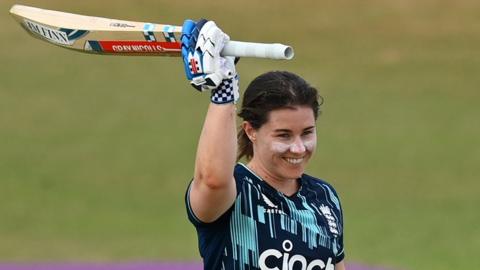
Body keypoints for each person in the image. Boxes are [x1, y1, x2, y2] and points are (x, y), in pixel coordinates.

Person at [181, 19, 346, 270]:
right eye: (283, 135)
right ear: (251, 131)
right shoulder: (235, 194)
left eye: (307, 133)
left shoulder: (324, 198)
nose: (299, 148)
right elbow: (212, 179)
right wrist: (223, 94)